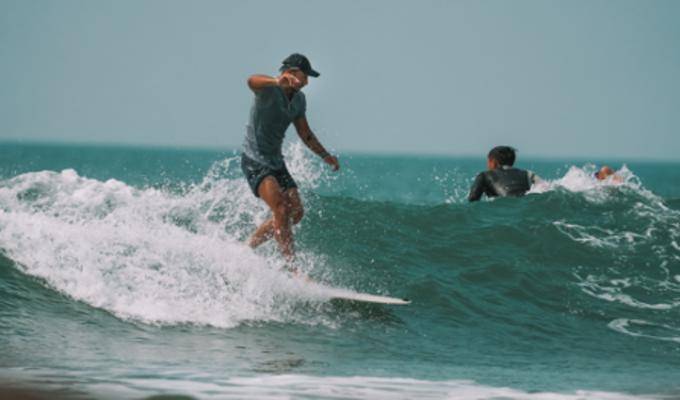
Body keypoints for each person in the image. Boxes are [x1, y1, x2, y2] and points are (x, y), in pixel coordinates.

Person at [241, 53, 339, 262]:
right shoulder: (268, 90)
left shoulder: (299, 100)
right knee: (281, 208)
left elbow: (305, 133)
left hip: (276, 162)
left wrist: (325, 156)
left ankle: (246, 247)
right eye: (305, 76)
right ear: (293, 73)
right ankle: (292, 268)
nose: (307, 81)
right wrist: (276, 80)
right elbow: (251, 80)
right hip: (255, 160)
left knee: (295, 212)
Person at [468, 146, 539, 202]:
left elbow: (472, 199)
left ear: (493, 162)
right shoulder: (528, 174)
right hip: (524, 206)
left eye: (488, 161)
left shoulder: (484, 175)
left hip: (504, 208)